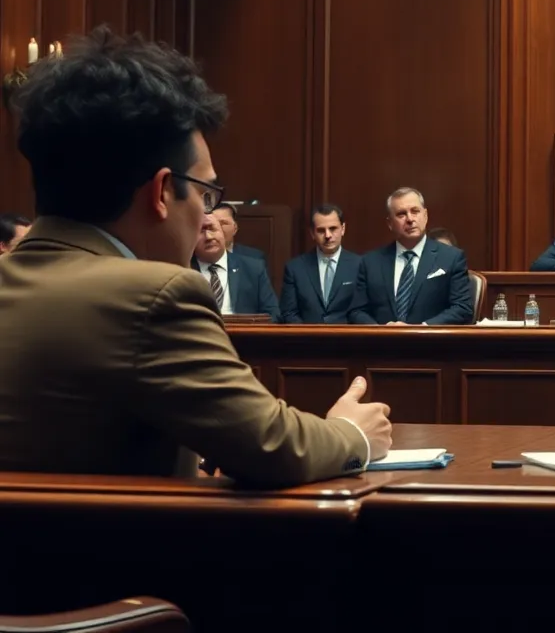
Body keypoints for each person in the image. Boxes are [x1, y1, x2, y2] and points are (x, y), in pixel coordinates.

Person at [0, 27, 391, 486]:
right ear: (162, 192)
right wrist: (352, 433)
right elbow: (276, 445)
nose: (206, 216)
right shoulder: (153, 298)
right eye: (206, 194)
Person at [348, 187, 473, 325]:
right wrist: (381, 330)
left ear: (425, 216)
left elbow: (462, 308)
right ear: (390, 223)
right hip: (383, 337)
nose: (410, 219)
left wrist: (421, 329)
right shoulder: (370, 262)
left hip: (431, 337)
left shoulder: (451, 258)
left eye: (415, 211)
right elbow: (356, 311)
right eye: (401, 214)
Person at [280, 204, 361, 324]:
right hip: (306, 334)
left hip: (347, 335)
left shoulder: (360, 266)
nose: (328, 235)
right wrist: (309, 334)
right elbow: (289, 312)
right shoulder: (295, 268)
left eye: (333, 229)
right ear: (312, 233)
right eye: (321, 230)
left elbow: (363, 310)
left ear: (343, 229)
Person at [192, 214, 280, 320]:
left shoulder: (253, 268)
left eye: (212, 229)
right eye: (201, 231)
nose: (209, 237)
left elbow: (273, 314)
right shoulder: (183, 270)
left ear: (223, 233)